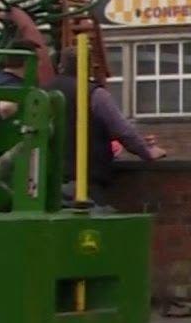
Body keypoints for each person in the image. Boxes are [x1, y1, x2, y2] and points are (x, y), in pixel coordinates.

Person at [49, 48, 164, 207]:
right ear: (89, 67)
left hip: (47, 180)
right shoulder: (94, 94)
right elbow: (123, 131)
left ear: (61, 66)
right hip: (86, 180)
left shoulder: (43, 92)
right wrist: (147, 152)